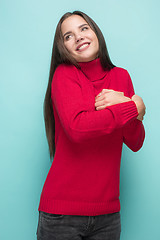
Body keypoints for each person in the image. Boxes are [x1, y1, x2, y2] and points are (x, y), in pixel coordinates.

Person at [36, 10, 146, 240]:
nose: (78, 37)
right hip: (61, 215)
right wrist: (133, 107)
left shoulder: (121, 76)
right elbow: (78, 128)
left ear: (96, 33)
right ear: (63, 48)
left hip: (108, 215)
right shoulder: (64, 75)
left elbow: (135, 141)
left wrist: (124, 104)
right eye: (68, 36)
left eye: (83, 28)